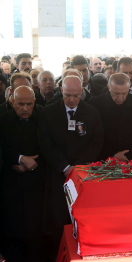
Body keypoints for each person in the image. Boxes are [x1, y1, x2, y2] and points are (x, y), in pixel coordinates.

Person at [37, 75, 104, 259]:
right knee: (57, 222)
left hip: (82, 176)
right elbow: (45, 143)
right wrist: (64, 166)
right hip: (57, 174)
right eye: (67, 95)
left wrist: (77, 168)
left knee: (81, 221)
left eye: (76, 95)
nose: (72, 100)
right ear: (61, 91)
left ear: (82, 91)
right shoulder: (48, 113)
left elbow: (96, 142)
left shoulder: (92, 113)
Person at [0, 86, 47, 262]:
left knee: (35, 227)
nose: (25, 108)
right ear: (12, 102)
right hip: (10, 181)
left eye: (29, 104)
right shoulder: (2, 120)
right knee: (11, 225)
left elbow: (49, 146)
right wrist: (21, 159)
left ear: (35, 102)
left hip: (36, 181)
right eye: (20, 104)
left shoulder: (42, 118)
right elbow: (2, 148)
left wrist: (32, 164)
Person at [89, 73, 132, 162]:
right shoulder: (95, 104)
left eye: (124, 93)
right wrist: (112, 154)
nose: (120, 98)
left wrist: (128, 155)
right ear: (109, 88)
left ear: (129, 89)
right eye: (116, 93)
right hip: (102, 159)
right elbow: (93, 136)